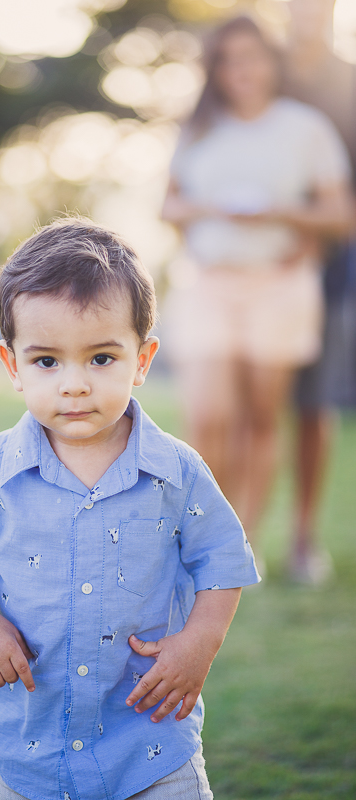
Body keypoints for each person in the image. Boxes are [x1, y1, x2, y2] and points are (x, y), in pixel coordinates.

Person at [0, 217, 260, 800]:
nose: (74, 384)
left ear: (143, 358)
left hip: (150, 745)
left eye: (101, 358)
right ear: (13, 366)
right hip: (29, 748)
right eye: (47, 361)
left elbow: (223, 563)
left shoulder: (178, 472)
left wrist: (199, 642)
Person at [161, 16, 353, 554]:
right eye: (228, 59)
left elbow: (340, 213)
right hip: (210, 285)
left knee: (262, 418)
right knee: (209, 415)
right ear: (215, 69)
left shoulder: (305, 127)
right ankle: (200, 534)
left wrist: (279, 213)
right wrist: (207, 209)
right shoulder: (199, 126)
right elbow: (167, 204)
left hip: (280, 286)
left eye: (251, 57)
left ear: (271, 63)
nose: (241, 70)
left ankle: (240, 543)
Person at [284, 0, 356, 583]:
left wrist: (311, 238)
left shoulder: (350, 85)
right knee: (247, 413)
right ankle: (235, 537)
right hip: (252, 278)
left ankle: (304, 541)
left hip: (330, 276)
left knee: (315, 408)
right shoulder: (261, 72)